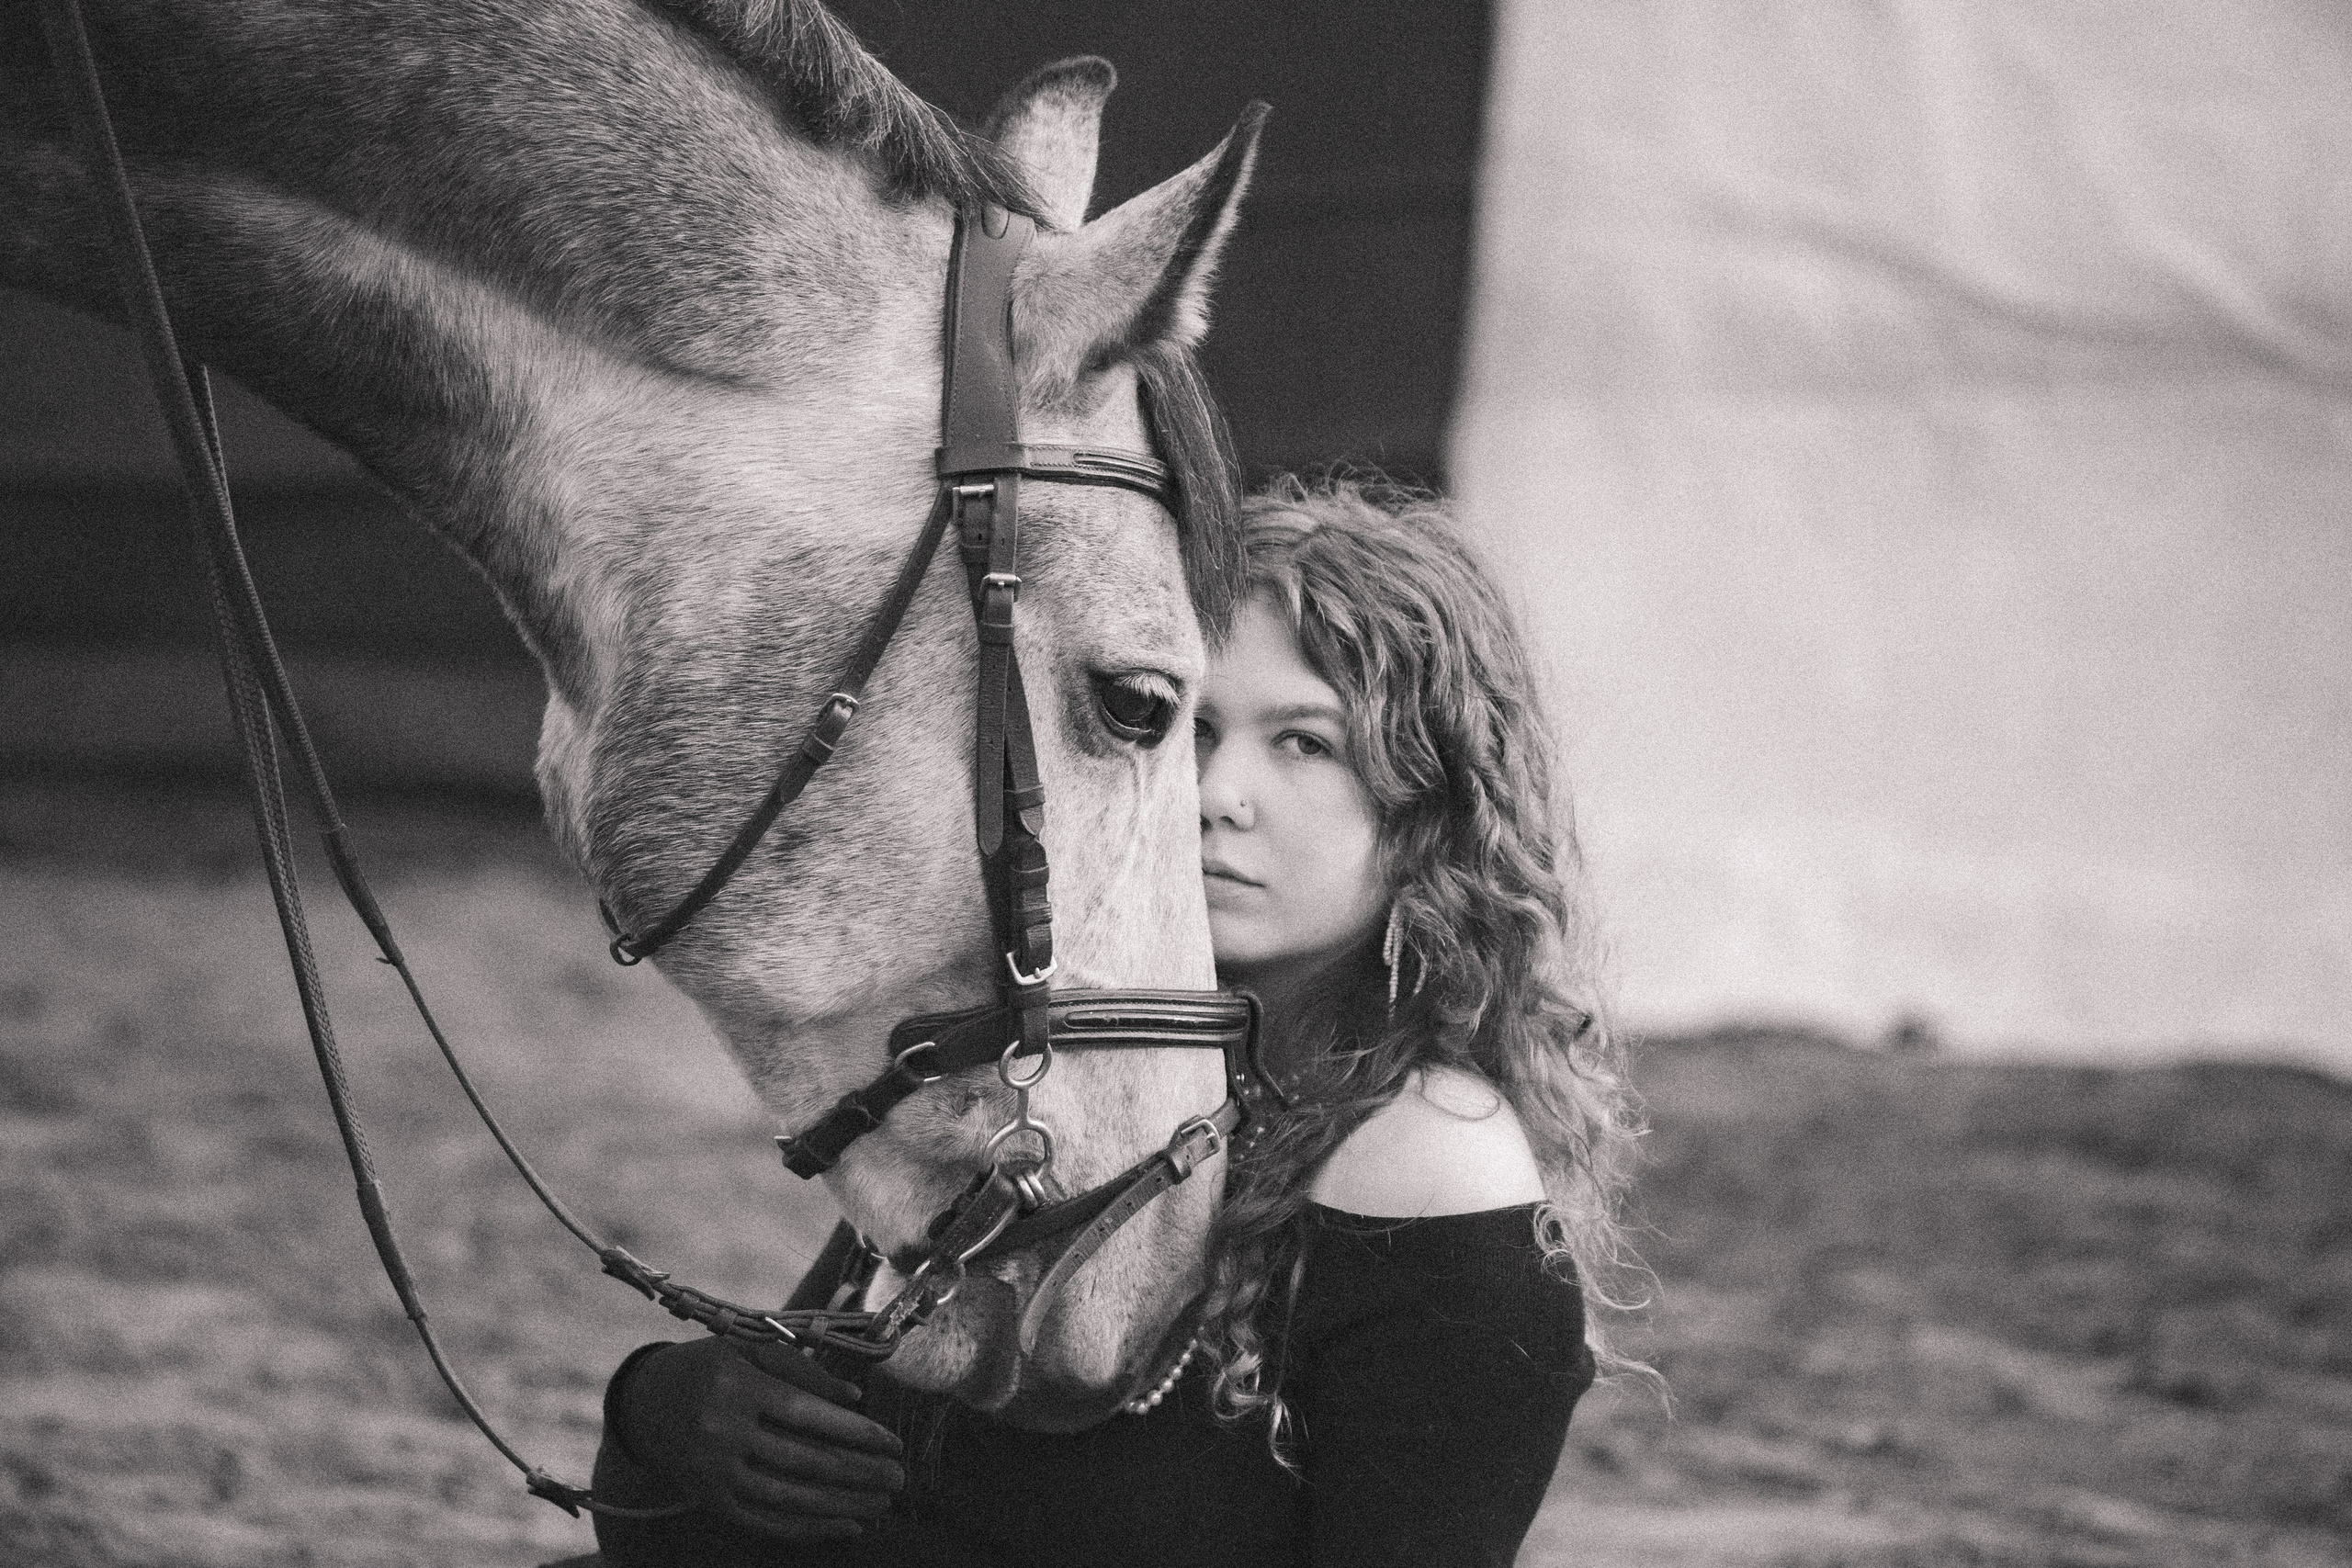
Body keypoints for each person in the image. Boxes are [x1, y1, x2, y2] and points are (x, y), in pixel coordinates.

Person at [590, 477, 1642, 1567]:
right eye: (1189, 726)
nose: (1213, 791)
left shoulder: (1425, 1167)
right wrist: (663, 1413)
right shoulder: (1045, 1072)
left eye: (1304, 743)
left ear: (1433, 806)